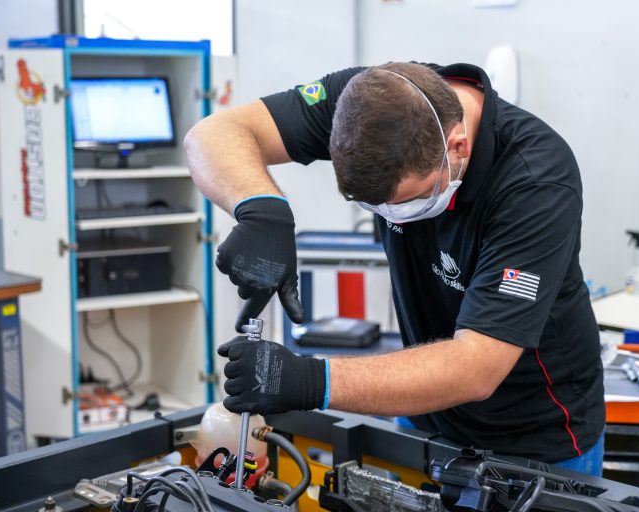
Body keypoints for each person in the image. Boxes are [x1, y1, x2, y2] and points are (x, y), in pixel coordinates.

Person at [185, 61, 605, 476]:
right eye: (376, 207)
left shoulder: (536, 180)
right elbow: (212, 134)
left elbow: (477, 367)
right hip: (422, 409)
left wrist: (310, 379)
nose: (392, 216)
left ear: (458, 148)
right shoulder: (370, 101)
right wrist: (263, 212)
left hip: (537, 437)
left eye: (405, 202)